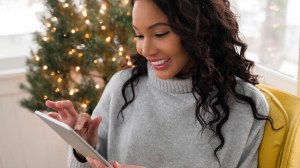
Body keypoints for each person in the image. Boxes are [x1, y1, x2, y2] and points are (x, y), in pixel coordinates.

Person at [45, 0, 273, 167]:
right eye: (139, 35)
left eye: (160, 33)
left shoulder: (245, 107)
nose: (145, 49)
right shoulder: (122, 87)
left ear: (198, 29)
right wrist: (83, 150)